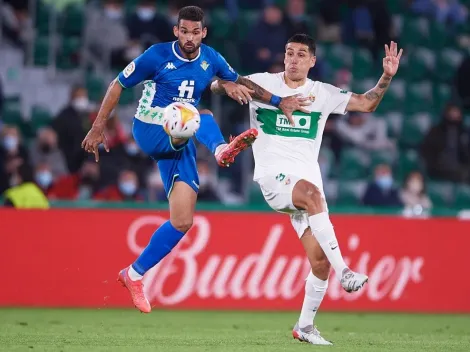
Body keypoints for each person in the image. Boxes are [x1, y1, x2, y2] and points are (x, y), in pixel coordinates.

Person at [81, 6, 308, 314]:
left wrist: (281, 102)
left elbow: (239, 80)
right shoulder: (156, 55)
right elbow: (117, 85)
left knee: (183, 220)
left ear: (204, 33)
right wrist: (97, 127)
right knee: (199, 114)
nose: (189, 38)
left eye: (195, 32)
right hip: (150, 126)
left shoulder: (211, 58)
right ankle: (219, 150)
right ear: (176, 31)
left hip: (181, 137)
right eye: (183, 31)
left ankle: (132, 274)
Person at [212, 34, 403, 345]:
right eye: (289, 53)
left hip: (306, 185)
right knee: (314, 197)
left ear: (312, 61)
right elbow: (217, 83)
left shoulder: (323, 94)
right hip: (274, 179)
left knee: (319, 261)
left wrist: (386, 76)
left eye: (301, 54)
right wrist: (227, 86)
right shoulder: (264, 83)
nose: (293, 59)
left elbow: (367, 103)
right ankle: (347, 273)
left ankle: (305, 326)